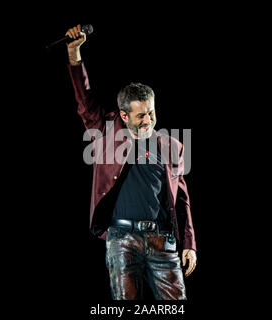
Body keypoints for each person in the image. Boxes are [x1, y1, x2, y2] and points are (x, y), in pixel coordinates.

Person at [65, 25, 197, 300]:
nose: (148, 120)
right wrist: (75, 55)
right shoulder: (106, 130)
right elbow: (84, 101)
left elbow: (181, 198)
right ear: (124, 116)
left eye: (151, 112)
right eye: (140, 116)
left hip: (162, 242)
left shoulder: (172, 146)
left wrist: (189, 243)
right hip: (122, 240)